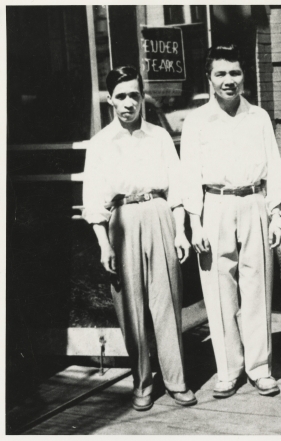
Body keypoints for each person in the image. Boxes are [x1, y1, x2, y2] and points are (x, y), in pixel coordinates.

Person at [83, 66, 196, 411]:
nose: (129, 103)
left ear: (141, 96)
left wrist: (180, 232)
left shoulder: (158, 136)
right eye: (121, 96)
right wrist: (103, 243)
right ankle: (142, 381)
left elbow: (176, 188)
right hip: (122, 221)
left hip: (159, 213)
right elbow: (93, 198)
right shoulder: (101, 143)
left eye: (134, 95)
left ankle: (176, 380)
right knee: (131, 308)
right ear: (110, 101)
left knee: (166, 302)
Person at [180, 44, 281, 398]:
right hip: (215, 206)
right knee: (219, 290)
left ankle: (260, 368)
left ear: (244, 76)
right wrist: (194, 222)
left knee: (259, 288)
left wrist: (275, 215)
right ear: (209, 78)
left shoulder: (259, 117)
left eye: (235, 73)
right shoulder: (196, 120)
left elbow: (275, 167)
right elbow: (188, 173)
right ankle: (228, 369)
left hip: (254, 202)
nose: (229, 81)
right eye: (221, 74)